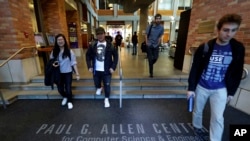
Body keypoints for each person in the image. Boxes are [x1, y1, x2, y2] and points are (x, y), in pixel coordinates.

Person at [187, 13, 245, 141]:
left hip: (221, 89)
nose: (229, 34)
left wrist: (231, 92)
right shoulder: (206, 47)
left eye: (233, 30)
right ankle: (197, 127)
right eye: (225, 30)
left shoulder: (238, 49)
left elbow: (237, 72)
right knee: (197, 110)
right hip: (202, 86)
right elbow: (195, 68)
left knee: (218, 117)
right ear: (218, 30)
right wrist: (191, 88)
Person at [86, 27, 118, 108]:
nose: (100, 36)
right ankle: (99, 87)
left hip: (107, 70)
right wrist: (89, 66)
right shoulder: (93, 44)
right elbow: (88, 55)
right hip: (96, 70)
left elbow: (116, 56)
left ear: (104, 34)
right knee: (97, 83)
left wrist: (113, 67)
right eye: (98, 34)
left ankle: (106, 99)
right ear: (96, 35)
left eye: (101, 34)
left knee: (107, 85)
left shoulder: (110, 45)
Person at [50, 34, 80, 110]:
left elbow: (73, 63)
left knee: (68, 88)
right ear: (56, 42)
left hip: (68, 73)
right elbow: (51, 62)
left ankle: (69, 101)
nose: (60, 41)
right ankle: (65, 97)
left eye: (62, 39)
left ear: (64, 41)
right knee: (60, 89)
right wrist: (53, 64)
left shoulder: (70, 51)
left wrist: (77, 74)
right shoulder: (54, 52)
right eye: (58, 40)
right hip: (58, 73)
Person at [145, 14, 164, 78]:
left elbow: (160, 36)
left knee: (156, 58)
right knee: (150, 59)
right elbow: (146, 35)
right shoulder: (150, 26)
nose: (158, 20)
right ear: (155, 19)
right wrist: (146, 42)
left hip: (156, 45)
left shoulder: (161, 27)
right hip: (149, 45)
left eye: (159, 18)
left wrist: (158, 42)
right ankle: (151, 73)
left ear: (160, 19)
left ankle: (150, 64)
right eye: (157, 18)